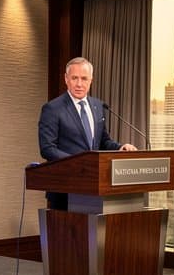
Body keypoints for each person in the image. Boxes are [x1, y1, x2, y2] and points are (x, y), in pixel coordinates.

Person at [38, 57, 137, 210]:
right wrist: (80, 163)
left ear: (91, 80)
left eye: (84, 78)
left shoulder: (98, 106)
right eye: (74, 78)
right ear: (66, 79)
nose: (79, 84)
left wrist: (120, 147)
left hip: (94, 189)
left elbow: (103, 141)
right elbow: (47, 148)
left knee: (92, 234)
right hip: (65, 190)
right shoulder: (52, 109)